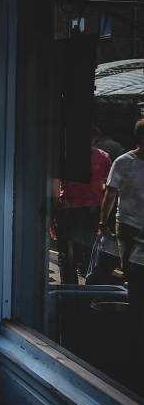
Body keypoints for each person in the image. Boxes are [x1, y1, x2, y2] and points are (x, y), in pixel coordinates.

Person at [99, 118, 144, 306]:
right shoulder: (124, 162)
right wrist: (103, 223)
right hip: (128, 226)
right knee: (132, 273)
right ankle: (135, 312)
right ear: (140, 138)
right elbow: (110, 194)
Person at [53, 139, 111, 284]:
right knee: (90, 253)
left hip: (68, 210)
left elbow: (54, 187)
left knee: (67, 255)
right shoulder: (103, 156)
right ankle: (89, 290)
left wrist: (51, 217)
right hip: (92, 211)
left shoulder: (62, 157)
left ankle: (69, 290)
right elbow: (108, 185)